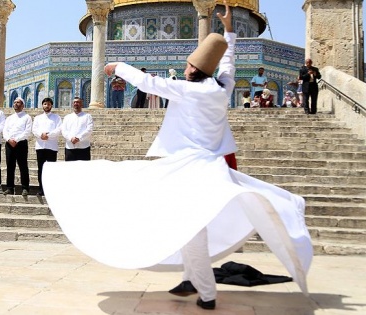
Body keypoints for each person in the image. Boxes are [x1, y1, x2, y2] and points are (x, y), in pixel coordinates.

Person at [42, 2, 312, 311]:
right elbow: (228, 67)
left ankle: (207, 293)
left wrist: (117, 67)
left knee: (188, 227)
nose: (184, 68)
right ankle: (192, 279)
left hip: (191, 171)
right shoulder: (221, 89)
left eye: (187, 66)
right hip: (210, 167)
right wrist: (230, 32)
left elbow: (150, 83)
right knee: (185, 225)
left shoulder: (191, 90)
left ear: (194, 70)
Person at [2, 97, 32, 196]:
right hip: (9, 143)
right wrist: (9, 140)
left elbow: (27, 132)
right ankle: (10, 188)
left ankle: (25, 188)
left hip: (21, 144)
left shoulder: (27, 117)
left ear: (22, 105)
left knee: (23, 166)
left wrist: (17, 140)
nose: (16, 104)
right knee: (10, 166)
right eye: (14, 102)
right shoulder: (9, 118)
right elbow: (5, 131)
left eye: (18, 102)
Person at [32, 97, 61, 196]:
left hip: (51, 146)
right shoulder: (37, 118)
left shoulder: (56, 118)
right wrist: (41, 135)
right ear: (42, 105)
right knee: (41, 168)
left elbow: (58, 130)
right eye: (45, 104)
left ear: (51, 106)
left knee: (51, 169)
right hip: (40, 146)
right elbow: (34, 130)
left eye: (48, 104)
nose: (47, 106)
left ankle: (50, 189)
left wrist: (48, 135)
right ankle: (41, 189)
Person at [61, 97, 93, 161]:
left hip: (83, 147)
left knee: (83, 169)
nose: (76, 104)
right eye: (74, 102)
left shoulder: (87, 116)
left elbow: (89, 129)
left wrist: (79, 138)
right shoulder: (67, 117)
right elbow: (64, 130)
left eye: (78, 102)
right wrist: (71, 138)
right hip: (70, 147)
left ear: (81, 104)